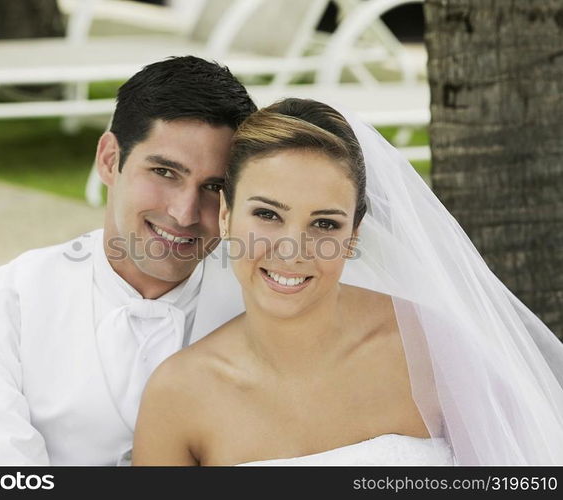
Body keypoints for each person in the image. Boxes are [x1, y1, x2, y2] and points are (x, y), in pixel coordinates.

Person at [132, 98, 563, 465]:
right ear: (226, 216)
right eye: (267, 214)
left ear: (353, 236)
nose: (292, 250)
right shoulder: (179, 396)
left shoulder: (431, 347)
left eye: (324, 223)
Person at [0, 56, 257, 465]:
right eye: (164, 172)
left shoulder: (262, 305)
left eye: (214, 186)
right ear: (108, 160)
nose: (185, 212)